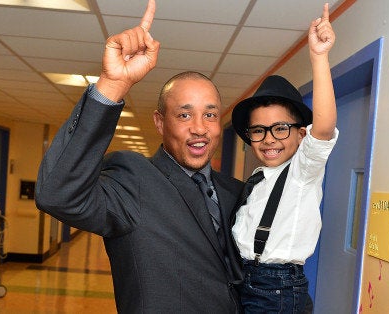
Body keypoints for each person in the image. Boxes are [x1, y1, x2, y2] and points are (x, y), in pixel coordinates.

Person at [34, 1, 245, 312]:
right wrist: (113, 85)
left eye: (210, 114)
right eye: (184, 115)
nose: (200, 128)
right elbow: (56, 194)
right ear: (160, 122)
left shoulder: (235, 191)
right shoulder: (132, 180)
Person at [230, 3, 337, 313]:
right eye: (259, 131)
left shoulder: (303, 172)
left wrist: (318, 57)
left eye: (280, 128)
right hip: (246, 279)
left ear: (301, 134)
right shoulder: (258, 180)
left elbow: (325, 126)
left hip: (276, 288)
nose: (269, 140)